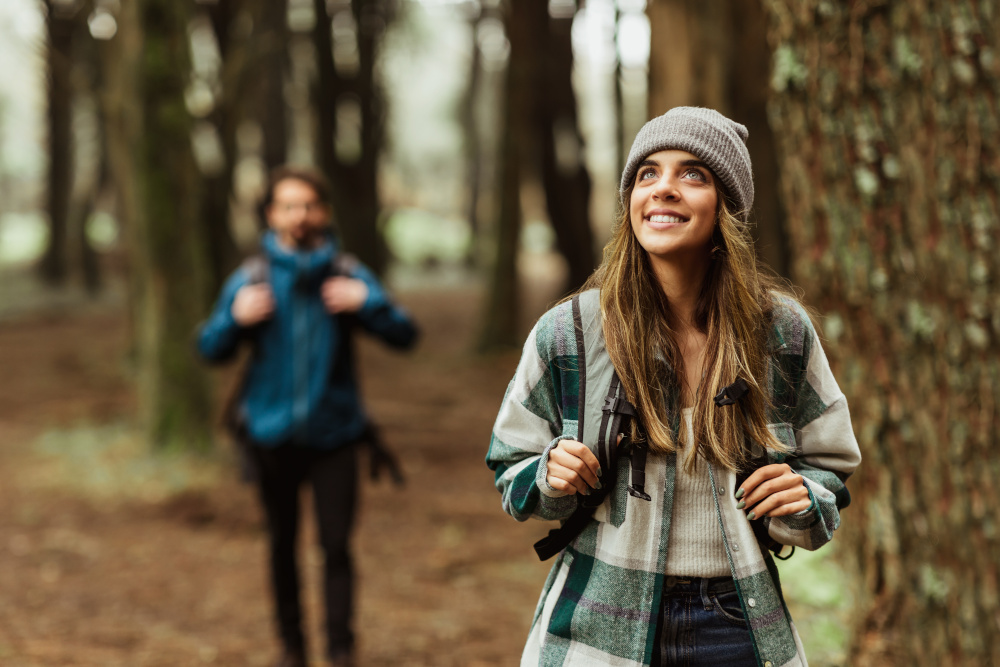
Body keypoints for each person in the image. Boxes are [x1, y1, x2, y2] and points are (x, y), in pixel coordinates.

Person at [487, 107, 861, 667]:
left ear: (726, 209)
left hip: (737, 625)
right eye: (647, 174)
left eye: (692, 174)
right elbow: (509, 464)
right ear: (631, 201)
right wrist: (547, 473)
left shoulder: (779, 332)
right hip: (595, 623)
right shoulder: (571, 332)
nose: (663, 188)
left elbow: (828, 467)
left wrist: (803, 500)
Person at [197, 166, 418, 667]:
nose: (300, 215)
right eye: (288, 206)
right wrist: (234, 319)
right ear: (272, 214)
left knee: (336, 547)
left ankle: (341, 652)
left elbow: (406, 335)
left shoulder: (346, 273)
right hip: (268, 437)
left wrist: (370, 302)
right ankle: (291, 650)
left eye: (309, 205)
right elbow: (209, 348)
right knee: (280, 547)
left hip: (336, 435)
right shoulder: (251, 279)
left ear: (324, 212)